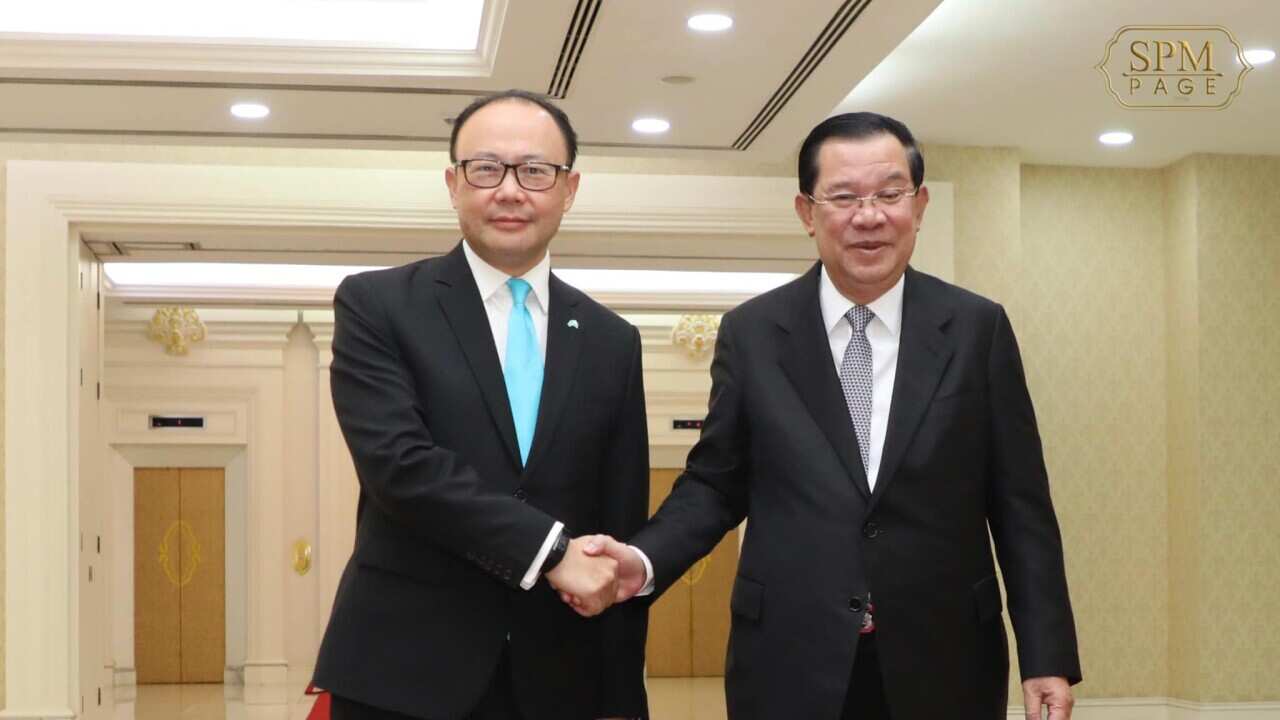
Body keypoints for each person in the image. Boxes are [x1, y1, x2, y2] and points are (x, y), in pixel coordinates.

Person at [582, 112, 1081, 719]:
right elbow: (715, 484)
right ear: (806, 211)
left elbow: (1021, 504)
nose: (868, 216)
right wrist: (642, 559)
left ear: (919, 205)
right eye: (843, 196)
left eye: (889, 194)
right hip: (790, 660)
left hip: (946, 658)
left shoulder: (977, 329)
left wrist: (1046, 653)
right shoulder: (755, 333)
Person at [313, 89, 650, 720]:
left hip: (561, 675)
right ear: (453, 183)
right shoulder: (378, 305)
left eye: (536, 170)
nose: (511, 190)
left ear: (569, 189)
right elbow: (401, 468)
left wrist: (624, 696)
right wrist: (550, 551)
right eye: (486, 168)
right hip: (403, 670)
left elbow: (618, 515)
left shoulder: (612, 339)